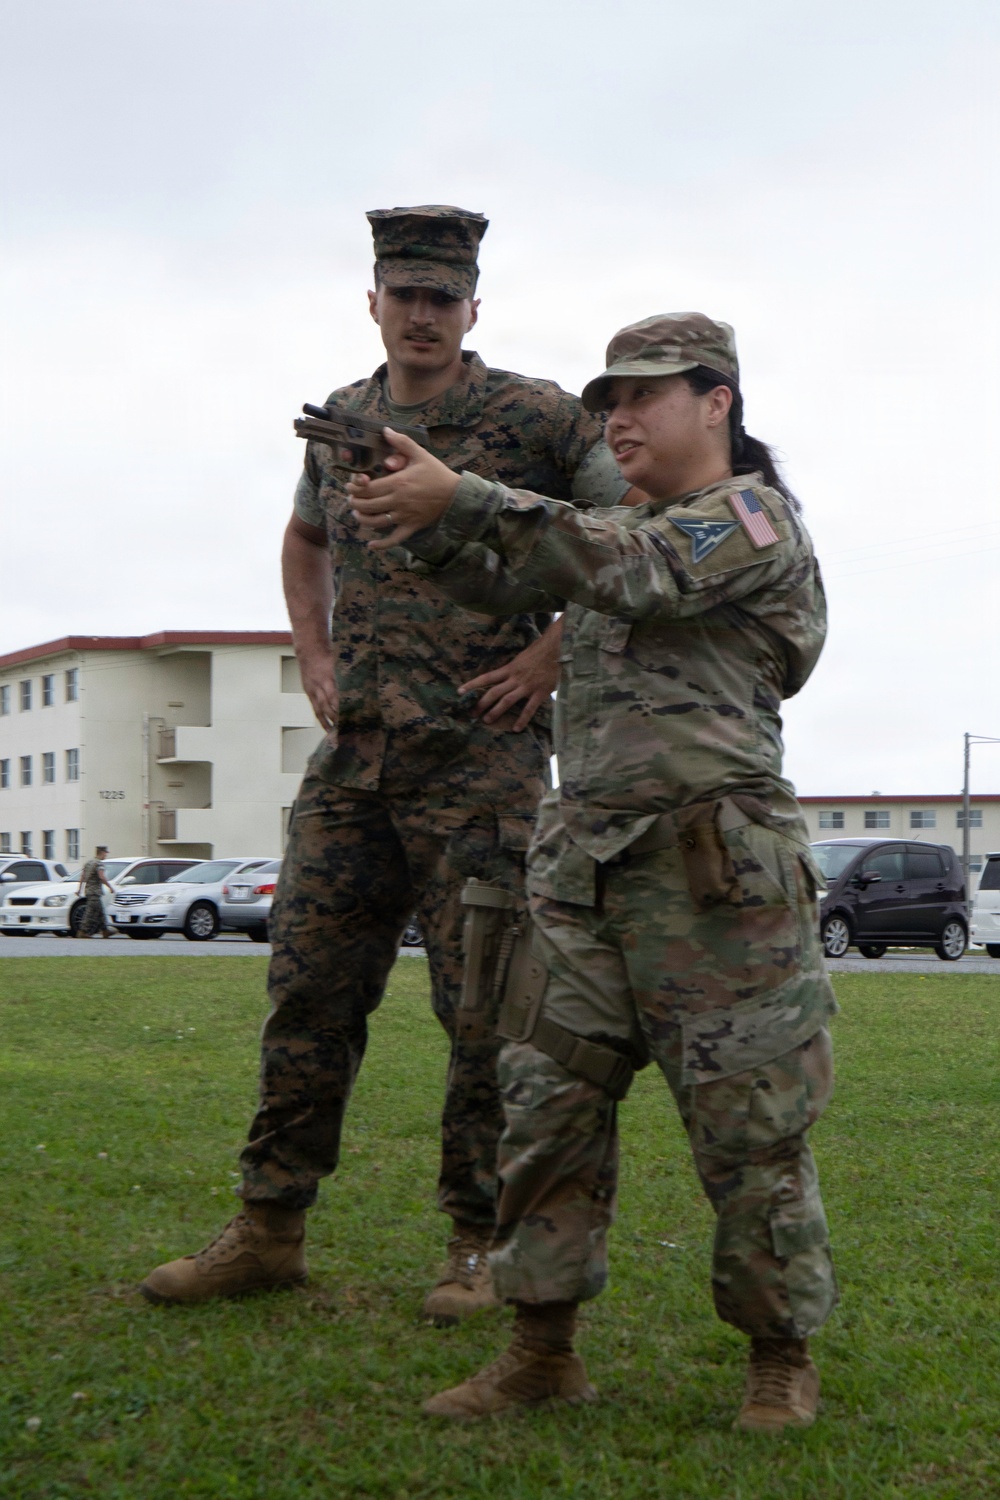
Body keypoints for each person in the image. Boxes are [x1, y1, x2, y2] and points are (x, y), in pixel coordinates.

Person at [140, 205, 642, 1319]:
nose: (422, 313)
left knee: (483, 1012)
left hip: (483, 760)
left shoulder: (535, 417)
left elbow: (628, 533)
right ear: (372, 300)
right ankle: (270, 1227)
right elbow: (306, 535)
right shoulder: (344, 420)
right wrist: (312, 655)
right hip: (355, 761)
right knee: (307, 991)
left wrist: (553, 658)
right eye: (403, 294)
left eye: (443, 297)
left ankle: (475, 1243)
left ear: (473, 307)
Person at [346, 312, 839, 1431]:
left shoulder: (750, 521)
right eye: (606, 400)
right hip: (584, 872)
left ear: (716, 401)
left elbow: (634, 572)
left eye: (644, 395)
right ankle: (539, 1347)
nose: (616, 417)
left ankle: (778, 1350)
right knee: (546, 1108)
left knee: (748, 1125)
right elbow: (512, 576)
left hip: (715, 880)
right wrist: (418, 518)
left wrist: (462, 495)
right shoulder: (607, 526)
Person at [75, 846, 113, 938]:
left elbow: (82, 877)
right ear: (101, 852)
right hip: (95, 892)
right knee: (90, 912)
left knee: (100, 912)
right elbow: (101, 877)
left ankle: (105, 930)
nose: (106, 855)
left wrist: (79, 889)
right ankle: (83, 931)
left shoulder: (88, 863)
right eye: (105, 853)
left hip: (89, 891)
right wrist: (110, 887)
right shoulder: (98, 864)